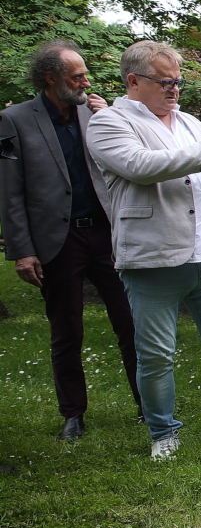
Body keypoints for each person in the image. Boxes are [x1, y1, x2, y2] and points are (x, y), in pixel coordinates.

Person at [85, 39, 201, 461]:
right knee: (155, 354)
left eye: (178, 82)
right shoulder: (109, 123)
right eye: (165, 82)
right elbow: (140, 167)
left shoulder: (187, 122)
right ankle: (163, 432)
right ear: (133, 81)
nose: (174, 90)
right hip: (153, 257)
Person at [0, 40, 141, 439]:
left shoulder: (95, 112)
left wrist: (109, 117)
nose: (85, 81)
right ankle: (73, 414)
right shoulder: (14, 120)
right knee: (67, 331)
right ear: (50, 79)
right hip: (57, 240)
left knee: (131, 323)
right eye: (76, 76)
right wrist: (22, 251)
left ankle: (147, 404)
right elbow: (9, 193)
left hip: (107, 233)